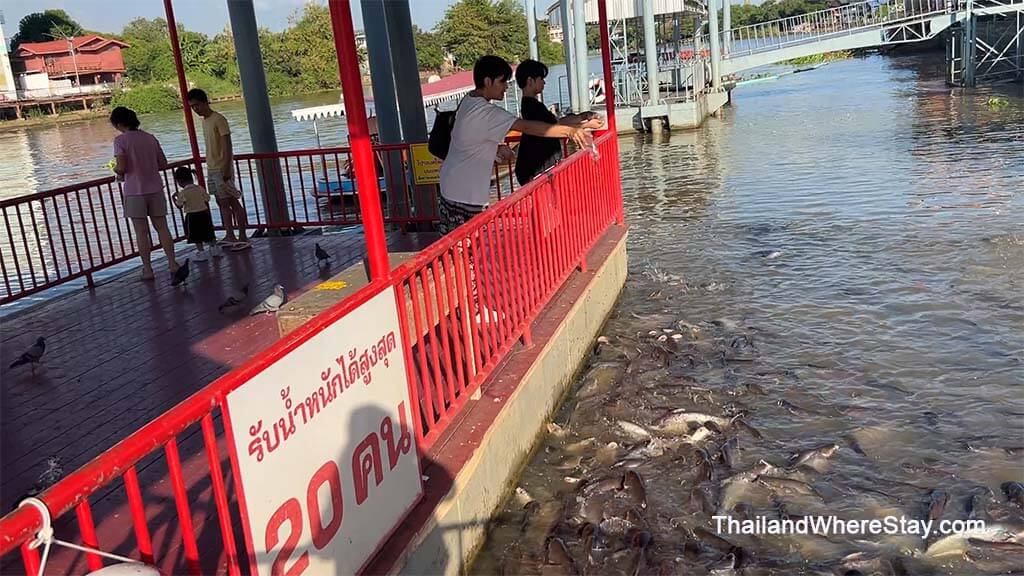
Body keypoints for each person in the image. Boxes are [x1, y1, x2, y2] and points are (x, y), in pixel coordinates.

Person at [438, 55, 593, 235]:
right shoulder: (487, 112)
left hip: (452, 185)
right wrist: (570, 131)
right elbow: (527, 126)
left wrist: (495, 147)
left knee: (457, 249)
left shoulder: (469, 100)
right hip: (464, 194)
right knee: (466, 251)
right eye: (502, 81)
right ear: (488, 81)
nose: (506, 87)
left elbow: (465, 132)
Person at [110, 106, 180, 281]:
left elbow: (122, 166)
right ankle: (172, 263)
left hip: (134, 191)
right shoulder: (150, 138)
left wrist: (117, 171)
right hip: (155, 188)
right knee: (162, 228)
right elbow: (163, 163)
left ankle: (148, 270)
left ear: (119, 124)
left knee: (141, 232)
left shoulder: (120, 141)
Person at [513, 59, 606, 186]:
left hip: (535, 167)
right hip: (536, 169)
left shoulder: (533, 105)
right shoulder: (532, 107)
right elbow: (553, 129)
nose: (544, 82)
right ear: (530, 81)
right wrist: (587, 125)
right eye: (541, 78)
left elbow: (556, 122)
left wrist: (583, 116)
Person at [186, 88, 250, 250]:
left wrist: (227, 167)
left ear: (205, 102)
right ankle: (230, 234)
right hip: (212, 167)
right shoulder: (205, 121)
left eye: (197, 105)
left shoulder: (219, 119)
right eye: (192, 107)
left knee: (232, 201)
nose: (195, 109)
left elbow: (227, 145)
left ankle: (243, 236)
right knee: (221, 202)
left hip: (221, 167)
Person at [171, 167, 217, 262]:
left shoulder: (183, 193)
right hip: (204, 213)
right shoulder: (199, 188)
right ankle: (214, 249)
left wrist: (174, 198)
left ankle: (201, 253)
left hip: (192, 216)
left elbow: (179, 205)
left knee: (197, 236)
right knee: (208, 232)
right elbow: (207, 199)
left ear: (179, 181)